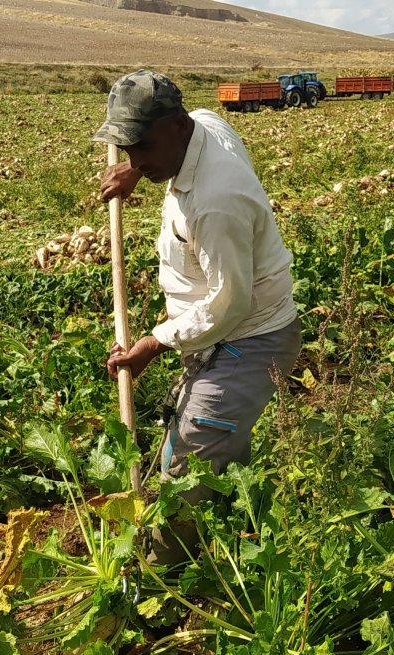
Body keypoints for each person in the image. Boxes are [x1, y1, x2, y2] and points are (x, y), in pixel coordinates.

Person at [93, 70, 301, 565]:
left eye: (140, 146)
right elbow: (177, 137)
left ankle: (164, 577)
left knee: (188, 455)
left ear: (178, 127)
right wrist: (138, 170)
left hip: (248, 337)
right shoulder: (204, 123)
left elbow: (229, 304)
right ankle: (228, 519)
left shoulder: (217, 203)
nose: (132, 158)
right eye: (124, 148)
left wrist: (155, 342)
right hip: (222, 331)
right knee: (204, 442)